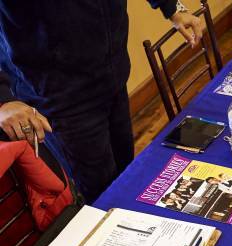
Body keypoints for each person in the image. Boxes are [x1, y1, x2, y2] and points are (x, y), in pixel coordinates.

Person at [0, 1, 205, 202]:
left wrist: (171, 7)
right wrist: (4, 100)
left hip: (112, 76)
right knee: (105, 199)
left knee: (128, 178)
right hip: (62, 101)